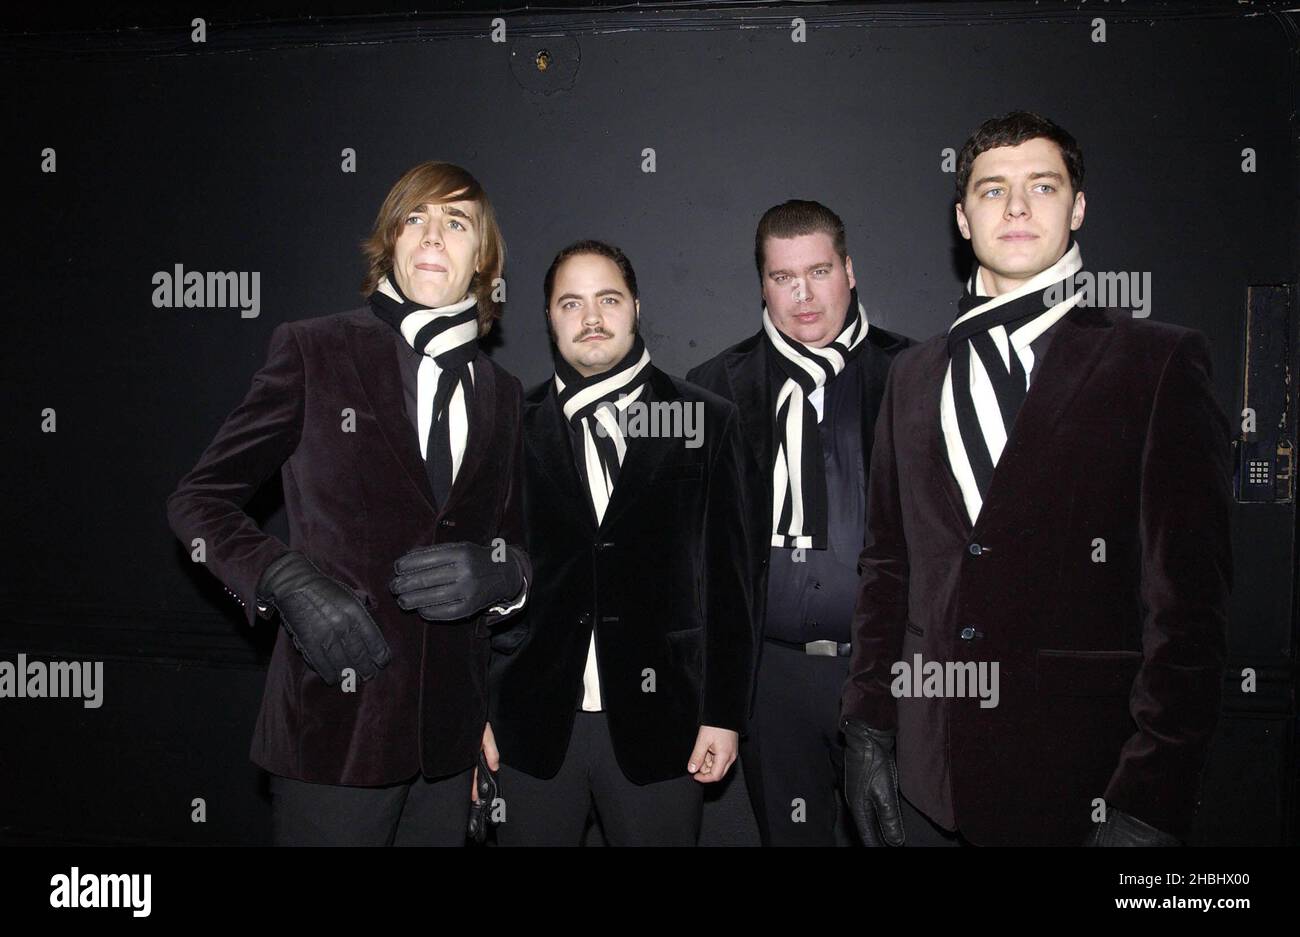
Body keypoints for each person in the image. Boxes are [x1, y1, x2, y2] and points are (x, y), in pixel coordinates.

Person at [841, 111, 1232, 847]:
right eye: (992, 191)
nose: (1016, 207)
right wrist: (867, 726)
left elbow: (1189, 612)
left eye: (1041, 186)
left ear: (1077, 207)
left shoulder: (1158, 363)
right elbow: (887, 567)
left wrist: (1150, 798)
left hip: (1081, 790)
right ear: (962, 218)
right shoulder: (912, 374)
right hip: (926, 784)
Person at [166, 161, 530, 846]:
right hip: (334, 727)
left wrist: (505, 577)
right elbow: (198, 500)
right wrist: (283, 578)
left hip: (450, 746)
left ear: (482, 257)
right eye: (415, 218)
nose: (432, 235)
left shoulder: (503, 393)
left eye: (456, 222)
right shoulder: (315, 348)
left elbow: (515, 541)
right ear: (390, 240)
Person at [485, 240, 754, 845]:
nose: (591, 318)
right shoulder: (508, 426)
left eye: (607, 299)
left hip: (665, 725)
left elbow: (733, 585)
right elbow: (481, 582)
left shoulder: (705, 419)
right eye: (570, 303)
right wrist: (471, 714)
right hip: (528, 727)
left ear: (635, 306)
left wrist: (725, 715)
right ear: (549, 318)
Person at [686, 202, 912, 845]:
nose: (804, 295)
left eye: (819, 271)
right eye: (784, 277)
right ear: (762, 284)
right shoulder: (713, 388)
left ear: (850, 271)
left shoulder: (915, 374)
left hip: (884, 672)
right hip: (768, 680)